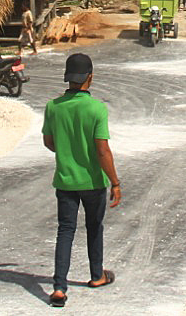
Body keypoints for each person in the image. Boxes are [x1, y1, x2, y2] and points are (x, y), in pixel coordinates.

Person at [42, 53, 121, 307]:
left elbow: (49, 142)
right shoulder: (96, 108)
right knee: (94, 228)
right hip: (93, 183)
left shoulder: (53, 106)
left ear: (68, 78)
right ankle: (97, 276)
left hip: (65, 182)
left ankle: (59, 289)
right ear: (90, 77)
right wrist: (115, 183)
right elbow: (102, 151)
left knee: (65, 230)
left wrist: (68, 152)